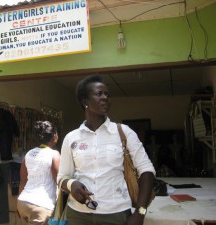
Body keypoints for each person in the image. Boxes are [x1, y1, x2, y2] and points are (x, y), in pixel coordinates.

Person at [57, 74, 156, 225]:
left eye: (107, 94)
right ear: (85, 101)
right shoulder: (72, 138)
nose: (105, 98)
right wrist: (72, 184)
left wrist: (140, 213)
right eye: (99, 94)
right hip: (77, 215)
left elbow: (147, 171)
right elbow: (61, 177)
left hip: (116, 214)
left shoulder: (124, 132)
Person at [17, 121, 60, 225]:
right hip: (41, 205)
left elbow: (23, 181)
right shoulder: (54, 154)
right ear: (54, 137)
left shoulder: (28, 154)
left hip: (23, 202)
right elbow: (59, 181)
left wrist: (18, 205)